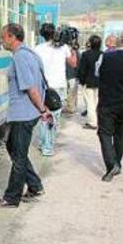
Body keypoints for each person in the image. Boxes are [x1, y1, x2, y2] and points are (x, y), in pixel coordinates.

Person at [0, 23, 49, 208]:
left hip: (23, 114)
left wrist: (42, 109)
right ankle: (35, 185)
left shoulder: (20, 58)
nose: (1, 40)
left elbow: (30, 88)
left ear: (12, 37)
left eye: (3, 37)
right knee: (14, 149)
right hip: (24, 113)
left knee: (19, 157)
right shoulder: (31, 54)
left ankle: (11, 198)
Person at [95, 29, 123, 181]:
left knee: (104, 133)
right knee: (121, 135)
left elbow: (97, 73)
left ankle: (111, 164)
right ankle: (117, 164)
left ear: (118, 41)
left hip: (107, 102)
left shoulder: (106, 57)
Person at [33, 23, 77, 156]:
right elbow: (73, 63)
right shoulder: (64, 48)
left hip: (43, 86)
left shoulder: (37, 49)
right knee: (54, 117)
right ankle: (47, 147)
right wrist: (72, 49)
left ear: (42, 34)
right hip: (58, 87)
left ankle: (43, 143)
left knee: (43, 116)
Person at [77, 34, 102, 129]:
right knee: (96, 102)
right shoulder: (103, 54)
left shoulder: (86, 54)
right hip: (99, 82)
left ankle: (92, 123)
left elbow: (82, 69)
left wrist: (81, 81)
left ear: (90, 43)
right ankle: (95, 120)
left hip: (88, 82)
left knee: (90, 103)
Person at [63, 39, 80, 115]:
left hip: (71, 75)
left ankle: (71, 107)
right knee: (72, 92)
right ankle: (71, 107)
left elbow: (78, 64)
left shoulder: (73, 52)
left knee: (71, 92)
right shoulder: (74, 52)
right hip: (70, 75)